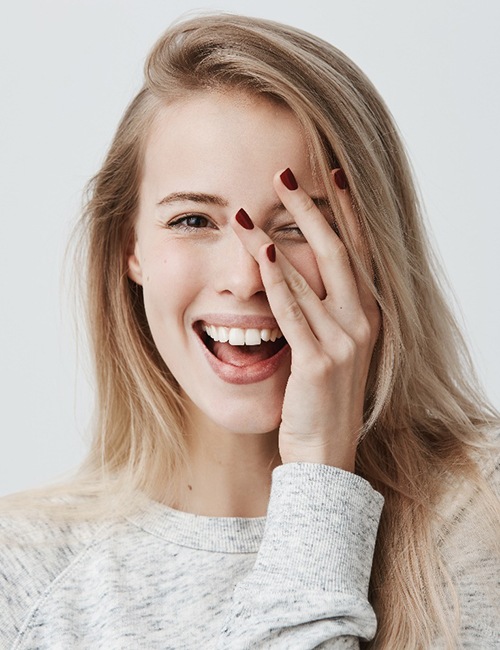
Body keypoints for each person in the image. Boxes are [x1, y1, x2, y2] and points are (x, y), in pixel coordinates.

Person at [1, 12, 498, 649]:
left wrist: (320, 471)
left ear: (373, 244)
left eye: (297, 224)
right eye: (191, 221)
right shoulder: (24, 573)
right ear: (130, 247)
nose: (247, 277)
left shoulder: (483, 513)